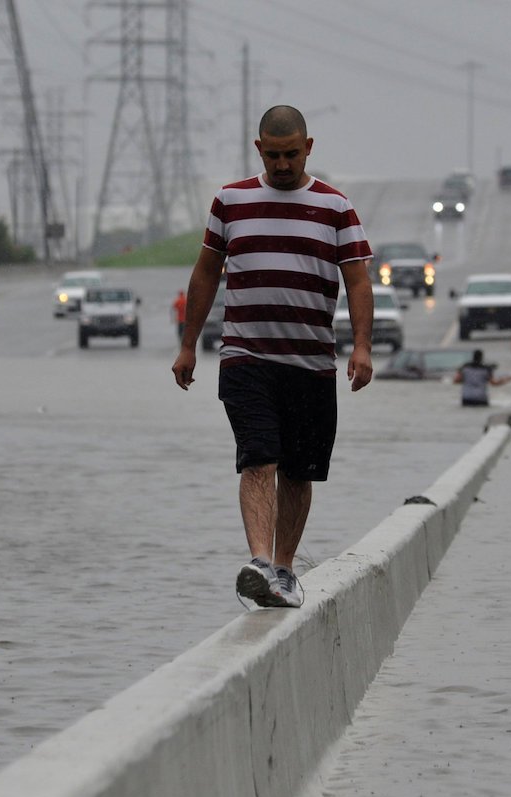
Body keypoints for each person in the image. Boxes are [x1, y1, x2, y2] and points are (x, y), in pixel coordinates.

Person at [171, 104, 375, 609]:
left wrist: (363, 346)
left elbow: (357, 280)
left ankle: (284, 570)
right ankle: (260, 561)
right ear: (258, 149)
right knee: (258, 457)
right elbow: (204, 273)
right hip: (246, 357)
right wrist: (188, 344)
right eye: (273, 155)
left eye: (291, 155)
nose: (283, 164)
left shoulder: (335, 208)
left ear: (308, 148)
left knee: (299, 472)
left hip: (311, 363)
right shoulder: (230, 201)